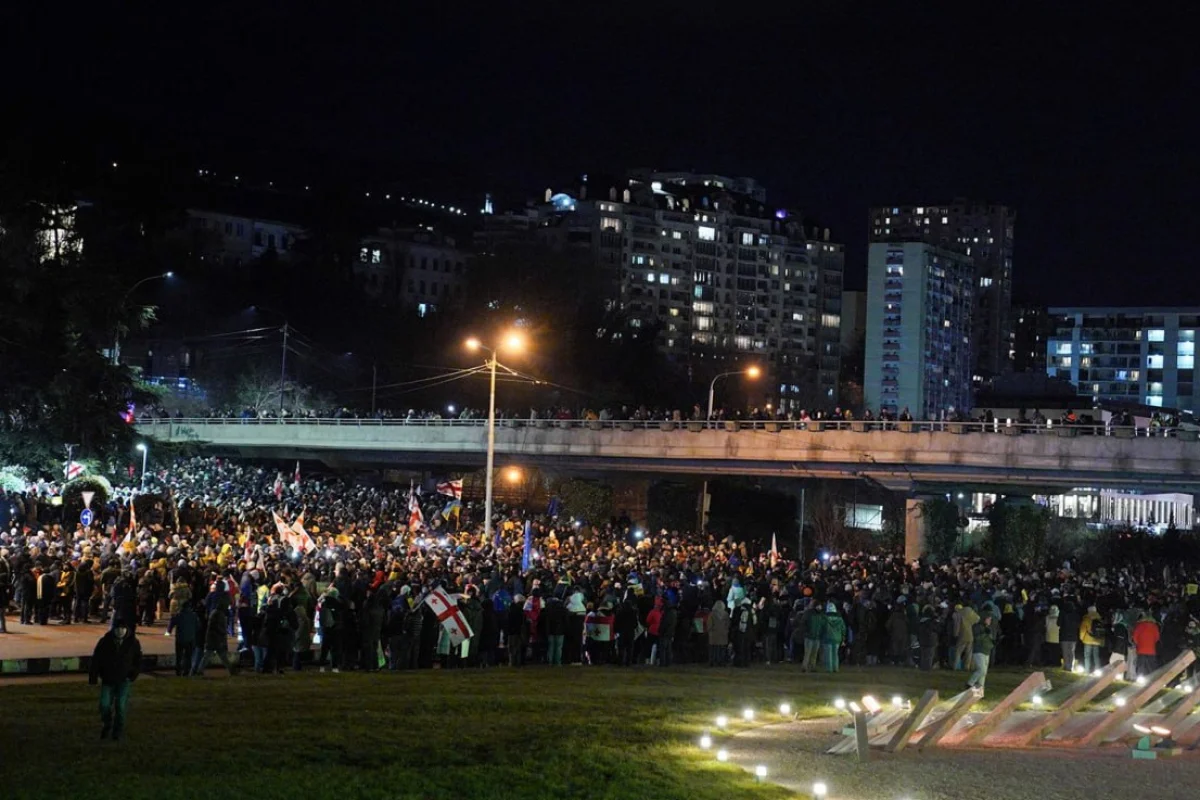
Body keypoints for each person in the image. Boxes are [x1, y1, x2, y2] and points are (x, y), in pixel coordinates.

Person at [89, 623, 142, 740]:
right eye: (118, 629)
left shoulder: (133, 643)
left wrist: (132, 675)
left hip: (123, 680)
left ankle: (117, 731)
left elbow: (138, 660)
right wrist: (93, 677)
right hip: (108, 679)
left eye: (123, 628)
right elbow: (96, 659)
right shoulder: (105, 642)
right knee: (104, 705)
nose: (120, 631)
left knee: (120, 707)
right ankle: (107, 724)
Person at [967, 611, 995, 693]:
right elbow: (977, 639)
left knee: (984, 673)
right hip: (979, 651)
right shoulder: (977, 627)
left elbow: (989, 639)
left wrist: (993, 642)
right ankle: (970, 683)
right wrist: (985, 634)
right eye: (988, 619)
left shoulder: (988, 628)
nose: (990, 621)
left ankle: (980, 690)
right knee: (981, 670)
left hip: (987, 651)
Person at [1132, 612, 1161, 677]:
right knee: (1151, 666)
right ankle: (1151, 678)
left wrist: (1139, 643)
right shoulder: (1155, 626)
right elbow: (1157, 638)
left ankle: (1140, 678)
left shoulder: (1139, 626)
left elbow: (1134, 637)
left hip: (1141, 649)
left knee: (1141, 666)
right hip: (1151, 650)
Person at [1080, 605, 1105, 674]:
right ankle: (1097, 671)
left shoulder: (1087, 619)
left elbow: (1082, 630)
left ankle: (1087, 670)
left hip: (1088, 640)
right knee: (1096, 657)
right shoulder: (1100, 619)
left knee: (1087, 656)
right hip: (1097, 641)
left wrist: (1082, 638)